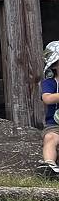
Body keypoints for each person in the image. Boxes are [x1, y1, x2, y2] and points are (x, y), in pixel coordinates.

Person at [41, 40, 59, 177]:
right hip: (55, 125)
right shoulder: (50, 82)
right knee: (50, 138)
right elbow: (47, 98)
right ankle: (49, 165)